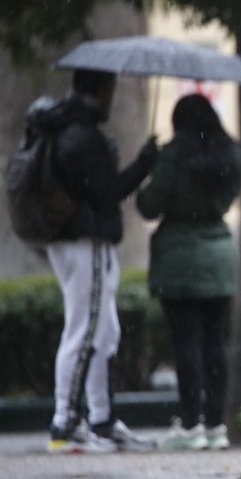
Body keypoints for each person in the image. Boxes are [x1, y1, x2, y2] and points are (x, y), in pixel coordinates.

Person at [46, 68, 159, 453]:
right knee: (84, 330)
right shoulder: (81, 136)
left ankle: (101, 418)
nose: (114, 97)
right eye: (112, 88)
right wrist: (144, 163)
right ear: (102, 90)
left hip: (77, 241)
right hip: (86, 242)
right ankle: (66, 421)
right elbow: (108, 193)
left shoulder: (70, 129)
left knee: (104, 331)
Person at [137, 93, 241, 450]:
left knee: (187, 345)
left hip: (180, 260)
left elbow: (148, 206)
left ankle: (190, 424)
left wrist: (149, 162)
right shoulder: (229, 157)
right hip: (219, 259)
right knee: (216, 345)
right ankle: (215, 424)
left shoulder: (173, 158)